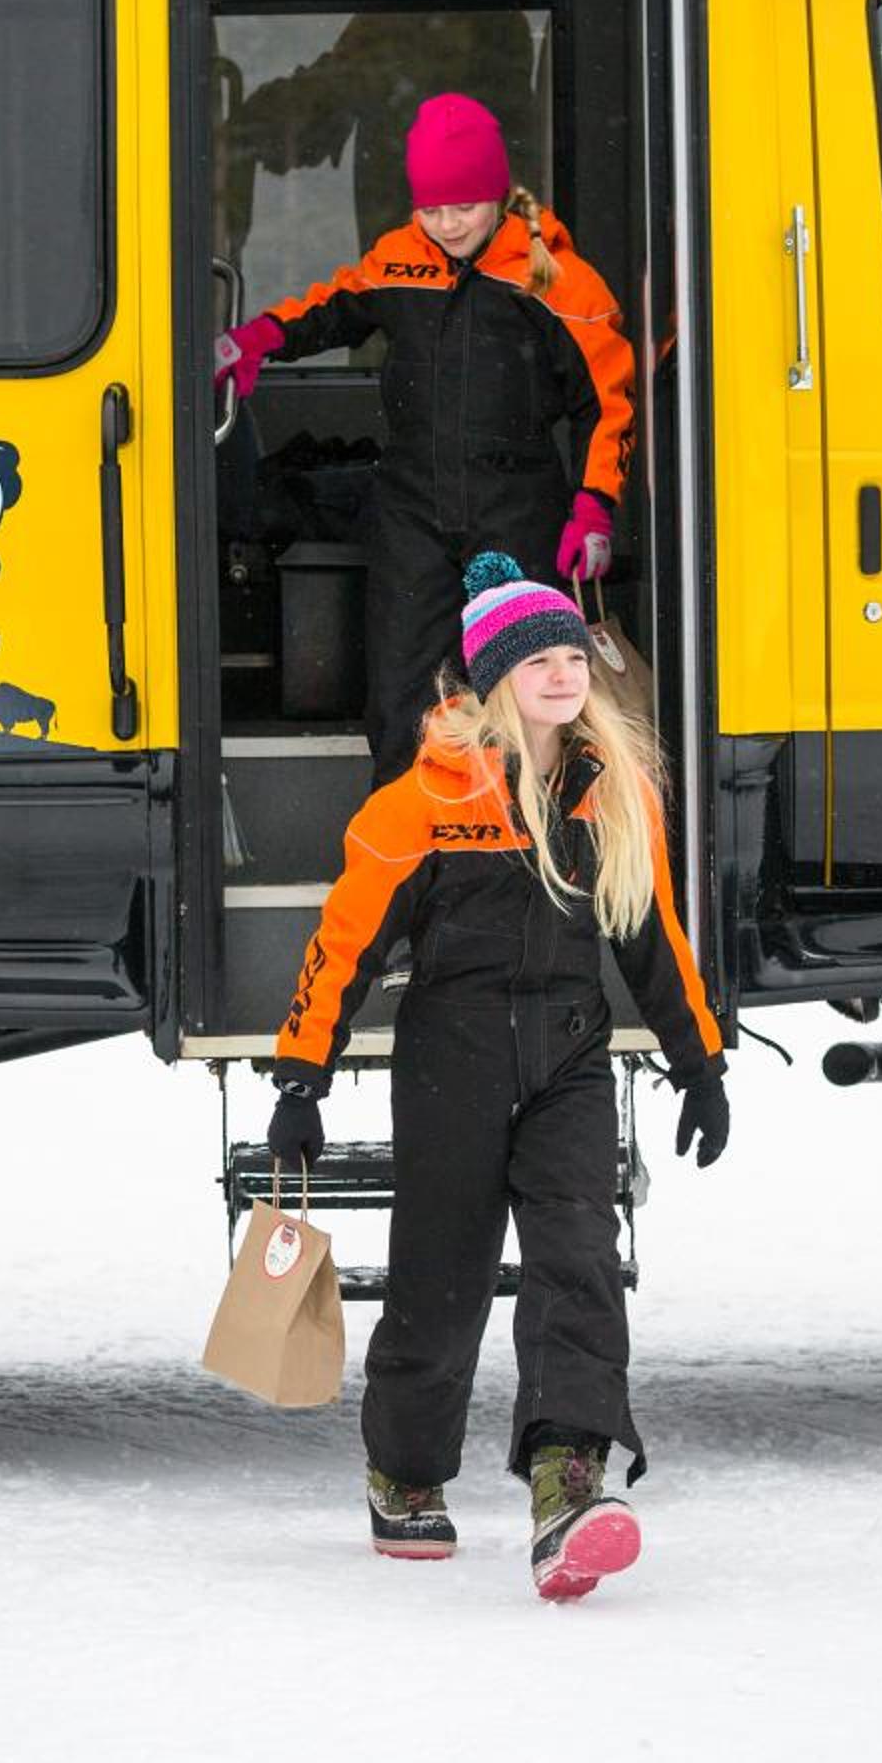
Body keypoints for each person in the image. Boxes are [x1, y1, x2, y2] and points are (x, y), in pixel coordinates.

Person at [266, 551, 731, 1601]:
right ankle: (407, 1468)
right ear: (494, 679)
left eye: (576, 655)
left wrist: (699, 1059)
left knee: (578, 1258)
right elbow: (343, 941)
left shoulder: (610, 790)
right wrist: (303, 1078)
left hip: (570, 1052)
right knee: (444, 1277)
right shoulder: (420, 801)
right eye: (541, 659)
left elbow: (655, 936)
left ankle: (569, 1483)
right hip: (453, 1055)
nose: (567, 674)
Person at [217, 94, 634, 784]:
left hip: (516, 503)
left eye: (463, 208)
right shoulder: (399, 260)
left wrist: (593, 509)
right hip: (411, 503)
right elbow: (334, 307)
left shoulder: (553, 278)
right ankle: (408, 839)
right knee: (404, 681)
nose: (447, 225)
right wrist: (263, 337)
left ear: (496, 196)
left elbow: (608, 403)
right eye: (432, 210)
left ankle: (522, 837)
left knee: (518, 682)